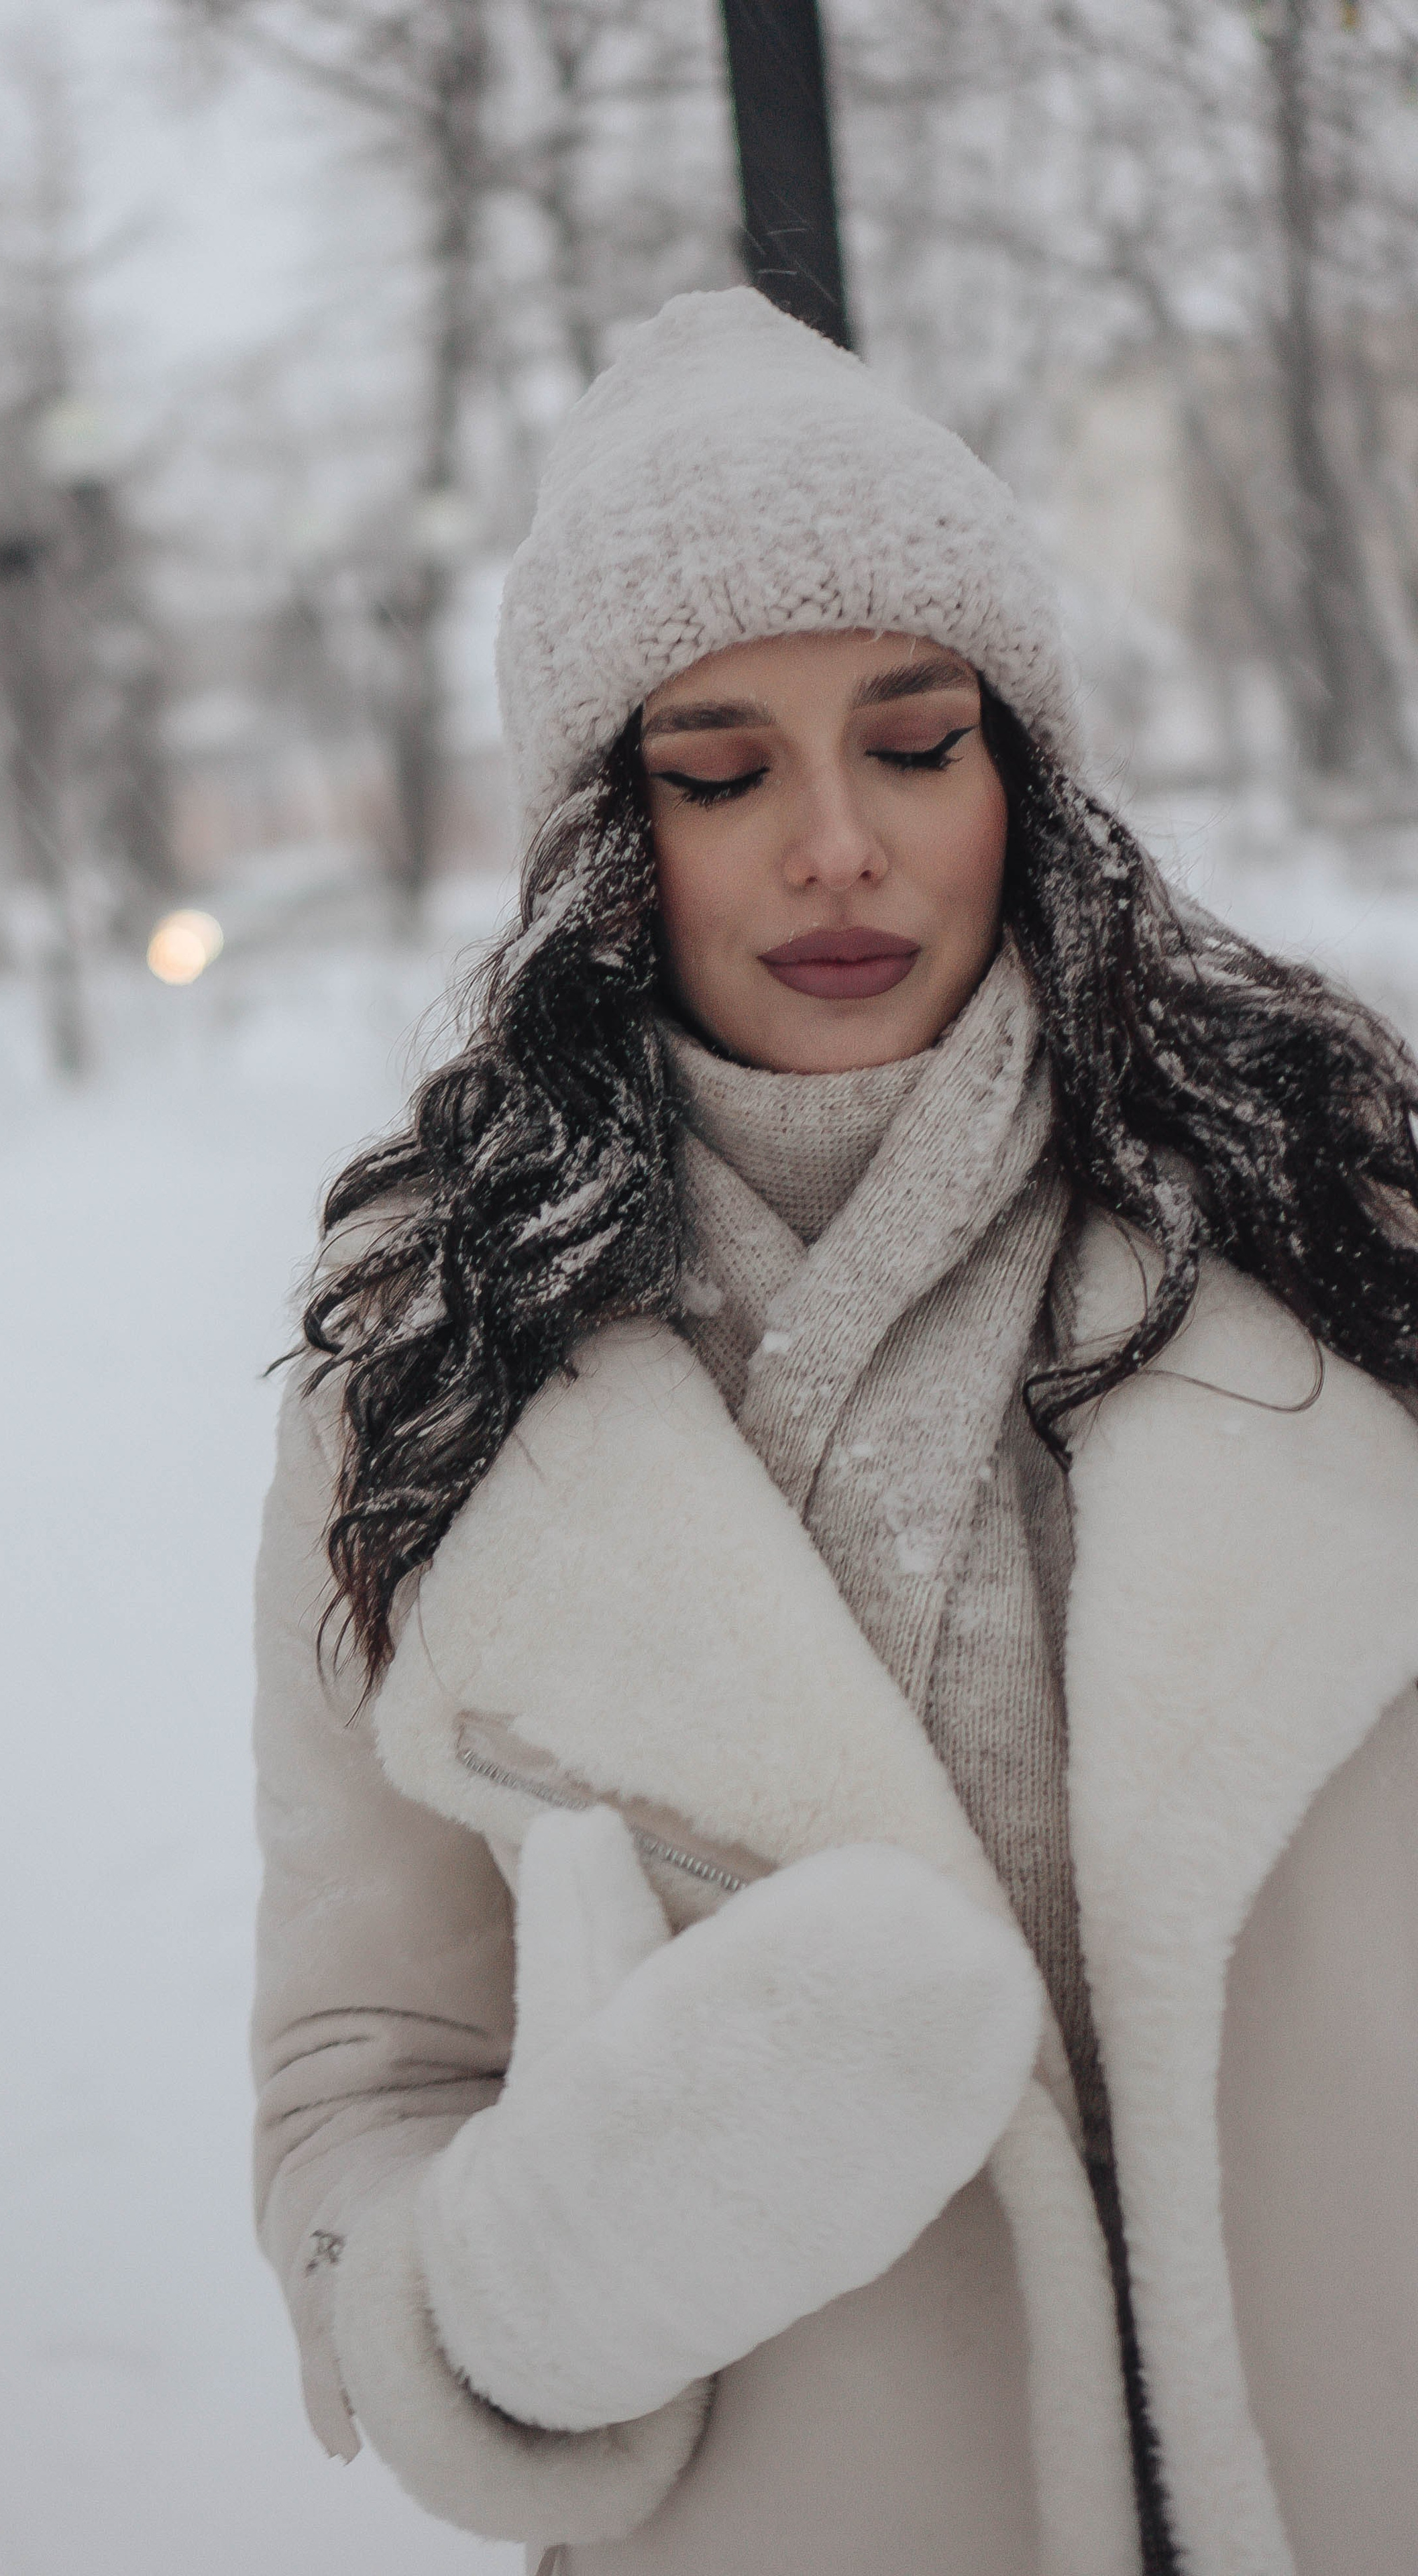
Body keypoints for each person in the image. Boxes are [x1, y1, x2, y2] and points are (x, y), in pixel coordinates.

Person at [250, 290, 1418, 2576]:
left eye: (915, 741)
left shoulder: (1331, 1229)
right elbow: (356, 2085)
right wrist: (507, 2294)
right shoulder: (429, 1383)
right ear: (608, 833)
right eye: (719, 768)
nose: (839, 849)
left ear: (1023, 775)